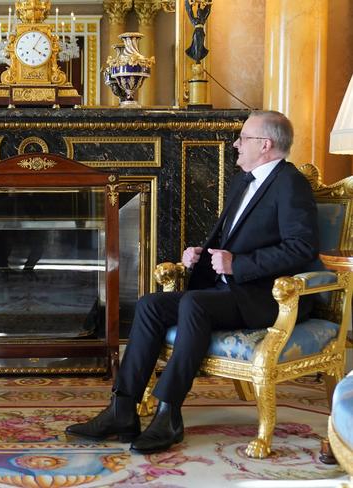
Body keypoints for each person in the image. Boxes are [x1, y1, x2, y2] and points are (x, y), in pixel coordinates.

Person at [65, 110, 320, 454]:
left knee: (194, 303)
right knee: (150, 304)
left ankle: (169, 414)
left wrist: (238, 264)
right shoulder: (243, 180)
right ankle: (121, 409)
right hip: (228, 289)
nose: (236, 144)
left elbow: (302, 248)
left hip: (265, 296)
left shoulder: (290, 184)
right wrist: (200, 255)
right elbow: (231, 238)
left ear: (265, 144)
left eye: (242, 138)